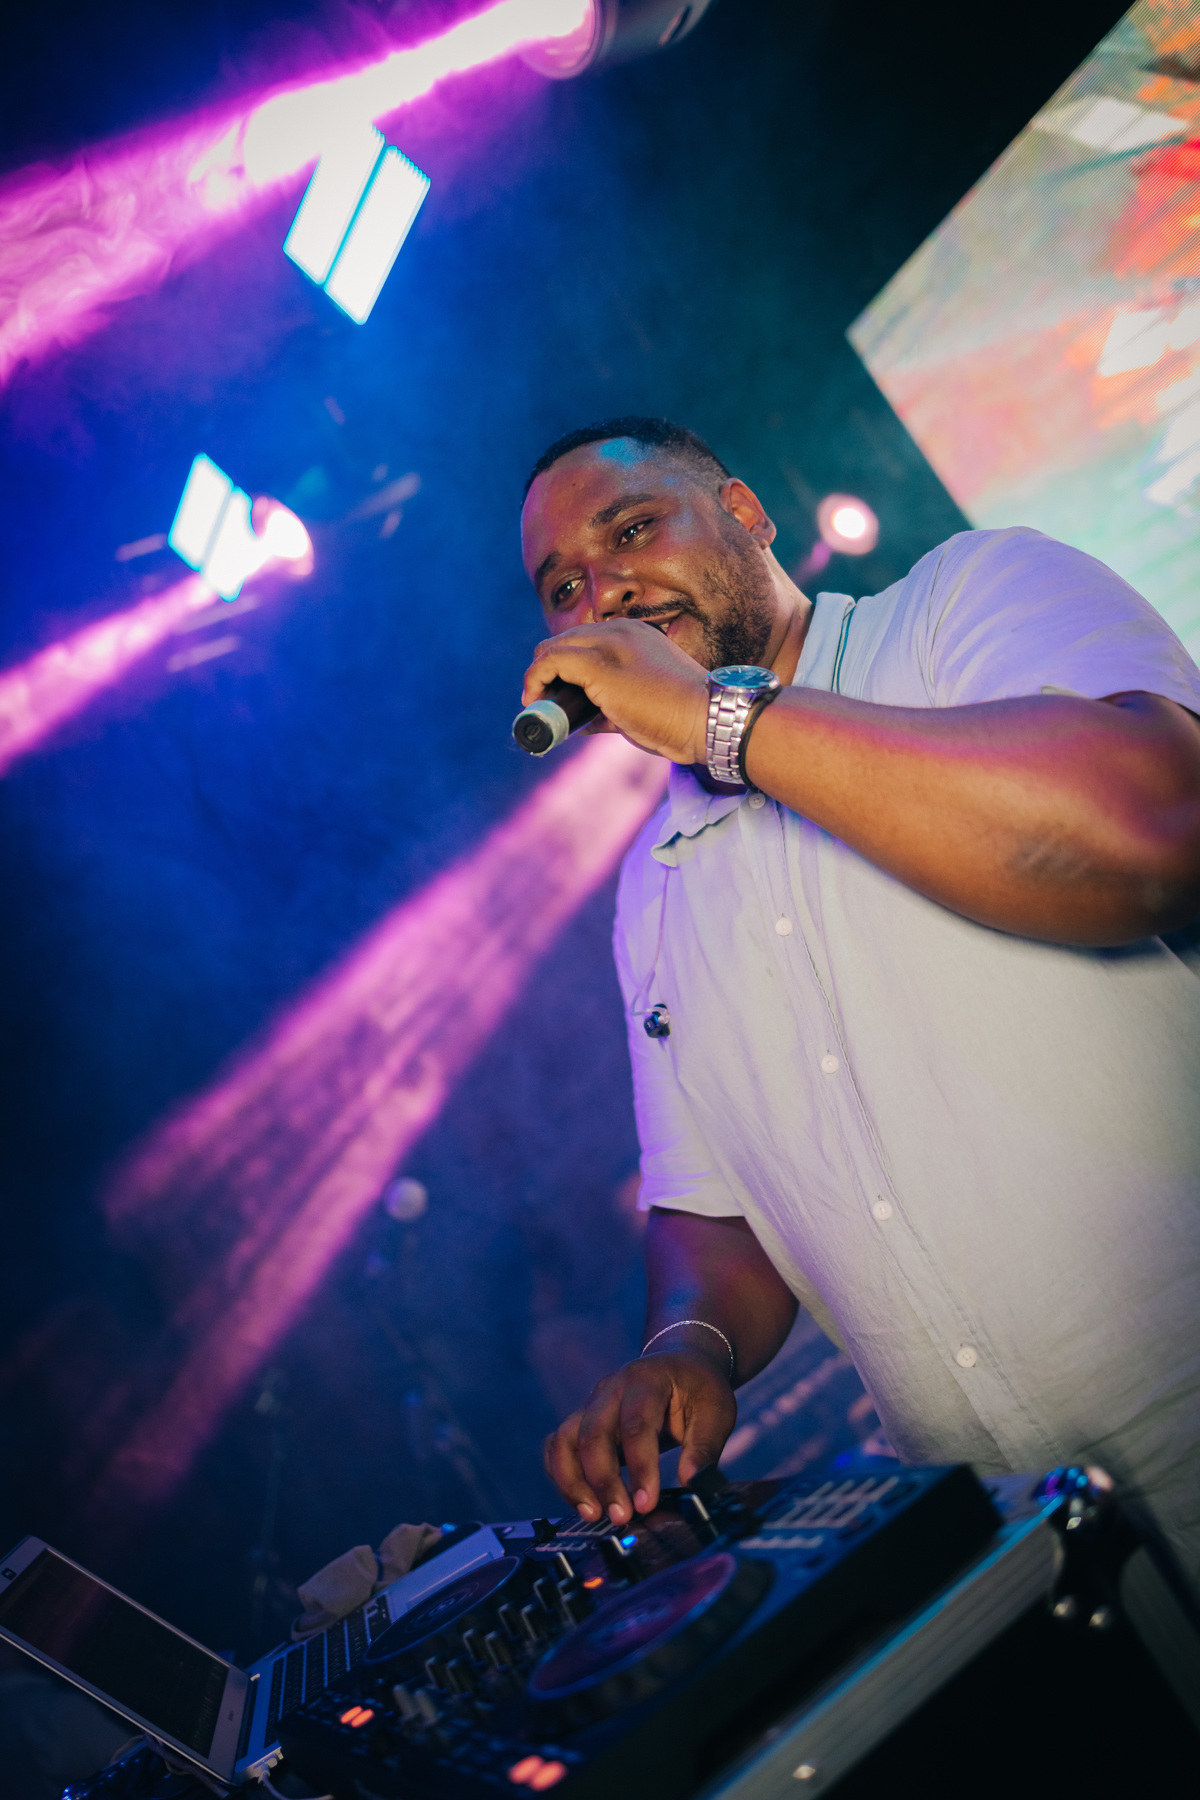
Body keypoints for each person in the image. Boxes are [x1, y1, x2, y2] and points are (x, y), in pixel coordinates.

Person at [519, 416, 1200, 1594]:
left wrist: (719, 723)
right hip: (1009, 1546)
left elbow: (1151, 832)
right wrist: (686, 1345)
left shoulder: (965, 600)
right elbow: (713, 1214)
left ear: (745, 513)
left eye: (632, 530)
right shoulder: (654, 886)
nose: (604, 591)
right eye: (564, 587)